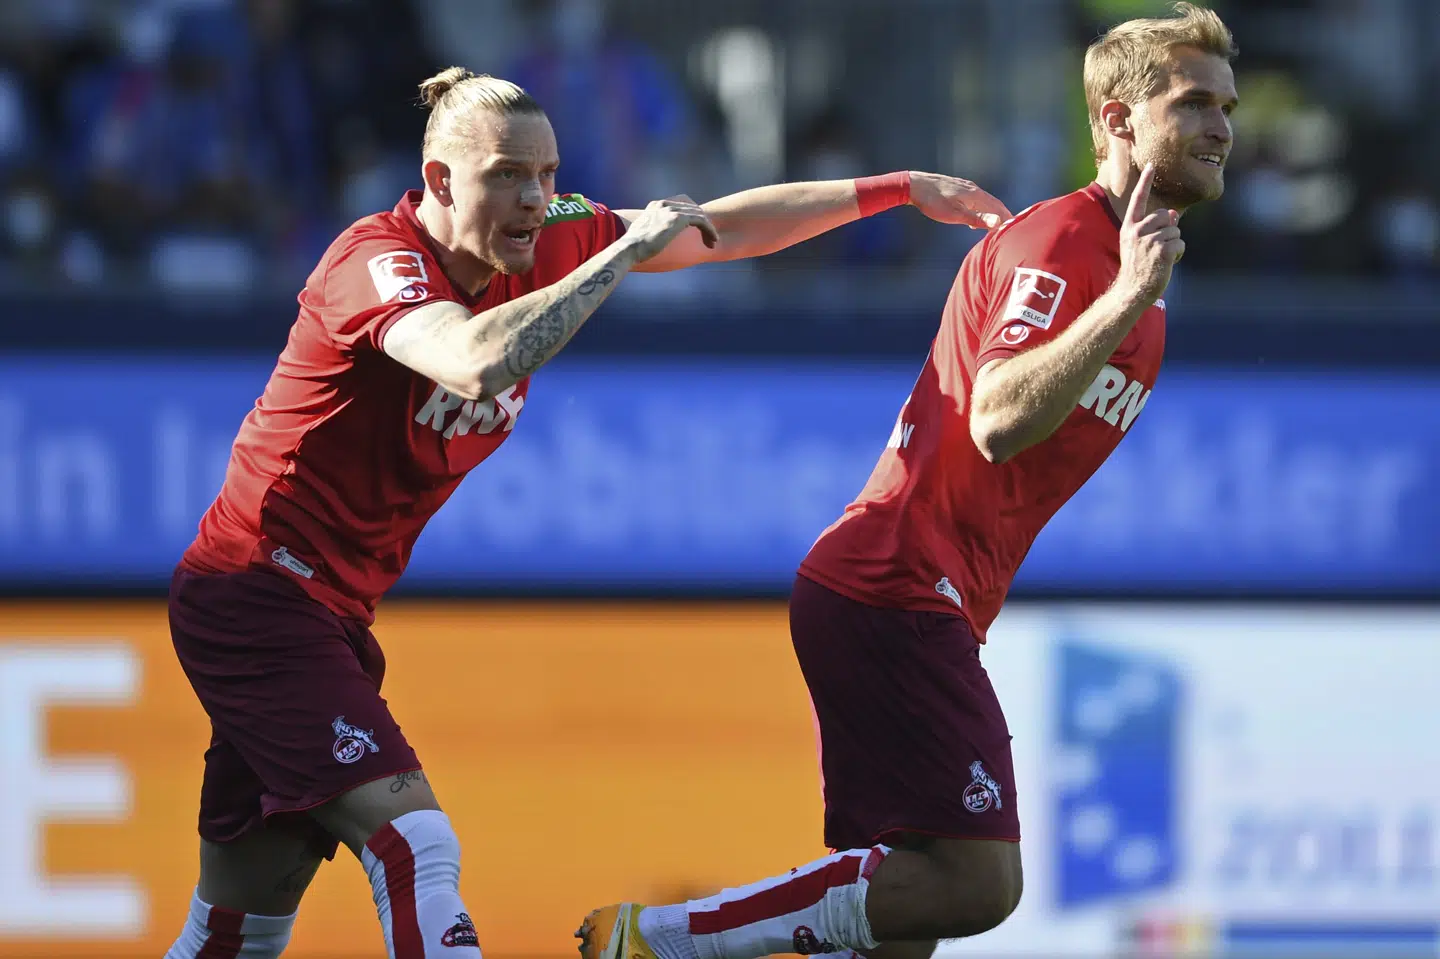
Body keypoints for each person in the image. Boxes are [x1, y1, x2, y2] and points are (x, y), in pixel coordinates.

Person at [161, 65, 1010, 959]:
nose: (535, 200)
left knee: (240, 924)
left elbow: (714, 232)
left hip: (329, 615)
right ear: (440, 181)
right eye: (506, 177)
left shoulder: (547, 235)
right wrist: (620, 254)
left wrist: (897, 190)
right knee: (414, 841)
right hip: (256, 594)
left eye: (549, 176)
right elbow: (472, 360)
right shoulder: (377, 262)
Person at [578, 3, 1237, 958]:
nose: (1221, 125)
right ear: (1117, 121)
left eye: (1225, 104)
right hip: (892, 585)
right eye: (1191, 102)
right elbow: (999, 418)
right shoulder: (1068, 246)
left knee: (905, 917)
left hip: (917, 599)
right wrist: (1128, 293)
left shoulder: (1145, 285)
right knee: (978, 879)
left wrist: (1140, 291)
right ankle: (664, 937)